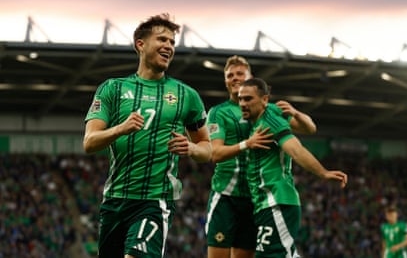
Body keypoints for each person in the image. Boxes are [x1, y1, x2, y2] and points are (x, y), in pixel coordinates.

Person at [83, 13, 212, 258]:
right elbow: (89, 142)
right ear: (140, 44)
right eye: (162, 40)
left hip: (155, 201)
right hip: (115, 200)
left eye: (172, 42)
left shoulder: (187, 95)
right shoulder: (113, 88)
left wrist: (192, 148)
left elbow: (207, 149)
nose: (169, 47)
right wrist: (121, 128)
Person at [205, 55, 317, 258]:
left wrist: (296, 113)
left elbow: (309, 128)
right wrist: (247, 144)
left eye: (240, 74)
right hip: (226, 196)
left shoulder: (268, 110)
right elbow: (216, 154)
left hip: (254, 198)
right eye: (230, 75)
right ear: (225, 81)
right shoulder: (218, 113)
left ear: (251, 78)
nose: (235, 78)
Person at [237, 77, 348, 257]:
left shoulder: (270, 121)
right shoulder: (269, 113)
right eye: (240, 98)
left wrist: (323, 173)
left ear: (264, 99)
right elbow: (310, 128)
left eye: (248, 99)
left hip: (276, 201)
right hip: (265, 203)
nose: (242, 103)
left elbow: (296, 148)